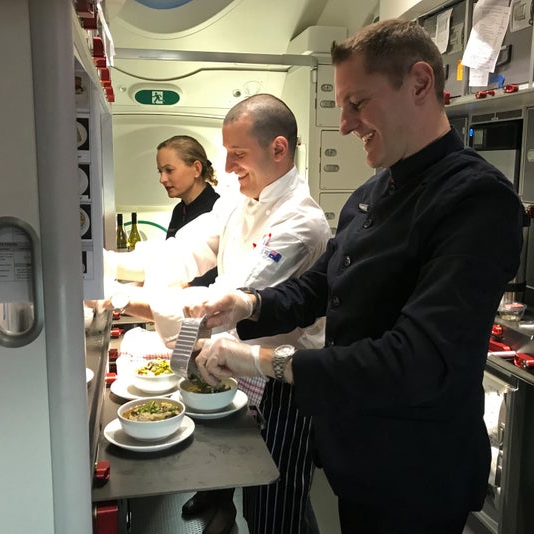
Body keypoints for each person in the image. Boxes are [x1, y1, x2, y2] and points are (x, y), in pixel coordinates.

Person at [187, 19, 525, 534]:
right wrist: (247, 304)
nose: (344, 124)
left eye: (357, 104)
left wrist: (262, 360)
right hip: (356, 455)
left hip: (417, 474)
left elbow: (416, 359)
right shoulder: (372, 192)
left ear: (418, 83)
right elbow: (320, 287)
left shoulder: (475, 201)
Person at [103, 94, 331, 534]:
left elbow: (226, 303)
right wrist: (104, 266)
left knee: (276, 504)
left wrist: (119, 300)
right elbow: (180, 252)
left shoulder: (300, 223)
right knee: (256, 494)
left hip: (284, 382)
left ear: (279, 149)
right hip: (241, 369)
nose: (227, 167)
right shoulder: (237, 200)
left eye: (238, 155)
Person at [157, 134, 220, 287]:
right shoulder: (179, 211)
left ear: (196, 169)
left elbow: (217, 270)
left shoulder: (218, 209)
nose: (162, 179)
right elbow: (171, 259)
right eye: (160, 171)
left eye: (169, 170)